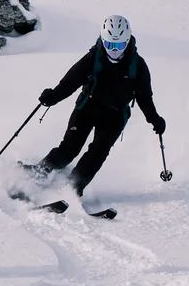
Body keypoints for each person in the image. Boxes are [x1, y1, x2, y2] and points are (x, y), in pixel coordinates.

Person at [32, 15, 165, 197]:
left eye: (119, 45)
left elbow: (144, 97)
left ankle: (71, 188)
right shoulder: (93, 58)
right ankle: (37, 175)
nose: (114, 50)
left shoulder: (137, 66)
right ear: (103, 40)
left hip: (115, 117)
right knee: (69, 149)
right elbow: (71, 81)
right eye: (110, 44)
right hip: (87, 108)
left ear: (128, 42)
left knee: (97, 154)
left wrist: (154, 119)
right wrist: (53, 96)